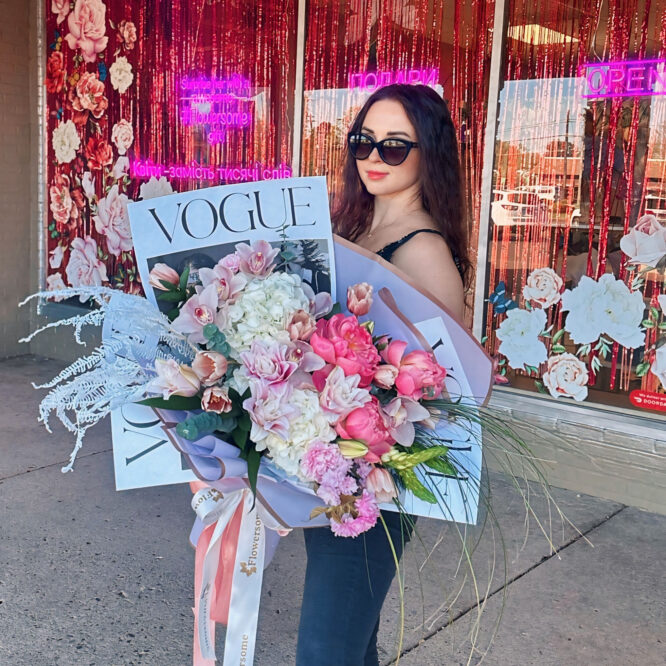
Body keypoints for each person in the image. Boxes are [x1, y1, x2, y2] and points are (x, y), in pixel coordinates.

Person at [296, 84, 470, 665]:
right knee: (349, 642)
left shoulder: (423, 252)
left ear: (430, 153)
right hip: (332, 469)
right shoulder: (357, 228)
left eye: (395, 146)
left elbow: (443, 390)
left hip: (377, 487)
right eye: (362, 141)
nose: (373, 156)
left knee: (326, 650)